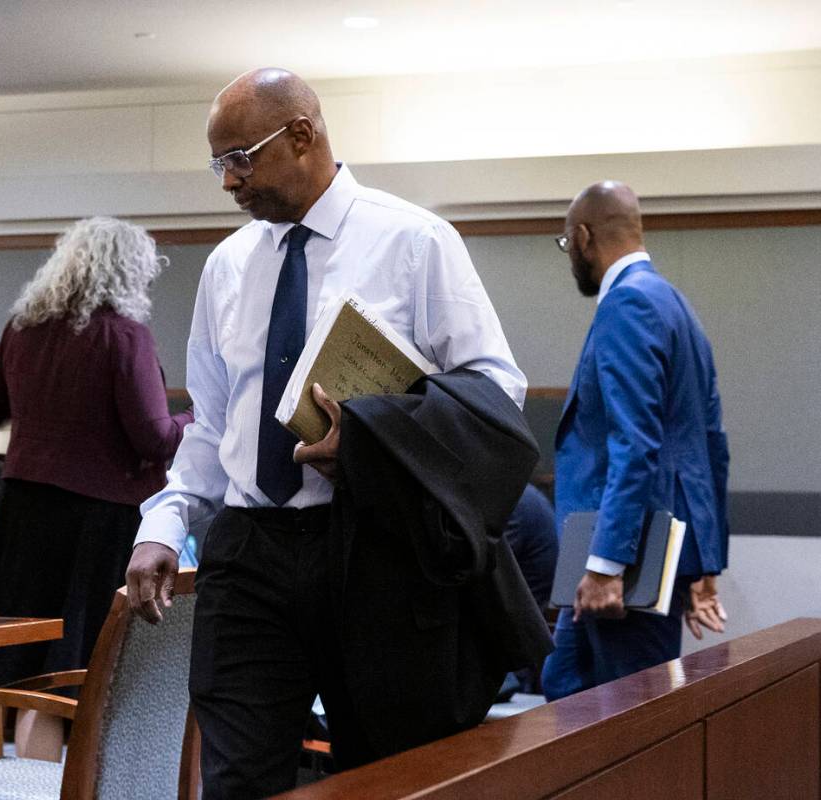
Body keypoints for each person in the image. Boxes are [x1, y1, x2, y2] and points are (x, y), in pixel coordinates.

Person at [125, 67, 535, 799]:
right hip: (249, 552)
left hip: (374, 550)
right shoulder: (226, 268)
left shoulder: (413, 241)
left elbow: (495, 396)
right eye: (218, 164)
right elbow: (212, 427)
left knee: (384, 775)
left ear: (304, 135)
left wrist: (377, 440)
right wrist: (162, 523)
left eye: (239, 158)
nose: (227, 182)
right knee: (238, 778)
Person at [0, 217, 193, 737]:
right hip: (98, 517)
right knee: (80, 662)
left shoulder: (23, 326)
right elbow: (153, 438)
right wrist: (200, 422)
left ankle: (21, 784)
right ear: (129, 272)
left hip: (25, 509)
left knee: (27, 656)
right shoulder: (124, 335)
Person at [541, 181, 730, 701]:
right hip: (648, 551)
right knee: (564, 690)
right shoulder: (676, 305)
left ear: (582, 237)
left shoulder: (627, 305)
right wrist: (704, 564)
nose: (570, 256)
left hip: (624, 561)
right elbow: (711, 445)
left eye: (565, 245)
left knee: (625, 729)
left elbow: (636, 443)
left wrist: (605, 567)